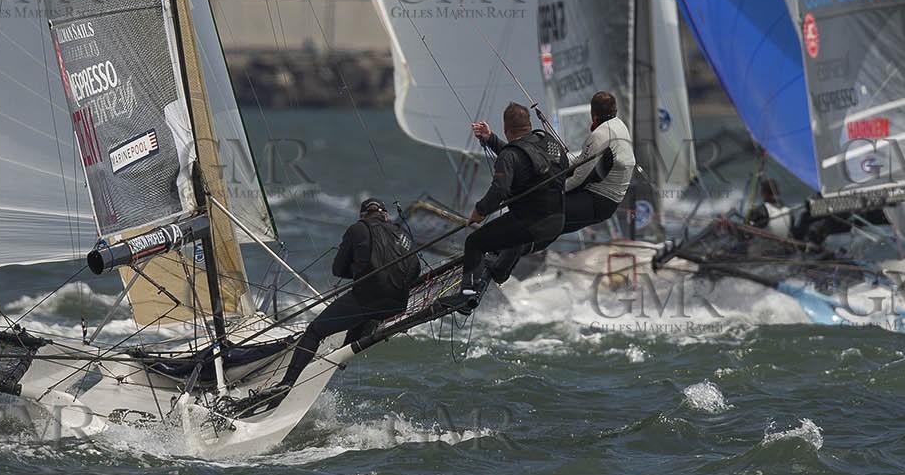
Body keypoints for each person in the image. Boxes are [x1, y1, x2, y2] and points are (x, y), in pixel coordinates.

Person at [251, 198, 420, 410]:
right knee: (366, 317)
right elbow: (415, 270)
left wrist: (360, 272)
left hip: (367, 298)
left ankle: (287, 383)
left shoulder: (358, 229)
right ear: (385, 215)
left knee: (314, 331)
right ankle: (346, 351)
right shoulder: (403, 235)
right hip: (395, 304)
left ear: (362, 215)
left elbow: (338, 270)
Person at [481, 92, 634, 269]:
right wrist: (554, 162)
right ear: (614, 110)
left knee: (543, 213)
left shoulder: (599, 136)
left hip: (598, 199)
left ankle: (500, 259)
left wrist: (550, 191)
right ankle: (504, 256)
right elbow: (579, 161)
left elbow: (578, 178)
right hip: (605, 200)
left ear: (593, 113)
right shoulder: (618, 125)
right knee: (552, 226)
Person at [449, 102, 568, 307]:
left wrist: (480, 211)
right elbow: (525, 159)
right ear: (529, 124)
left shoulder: (510, 156)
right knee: (511, 238)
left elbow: (500, 190)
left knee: (475, 243)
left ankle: (466, 294)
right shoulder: (549, 143)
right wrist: (491, 140)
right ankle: (500, 272)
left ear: (506, 129)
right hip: (558, 221)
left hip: (532, 224)